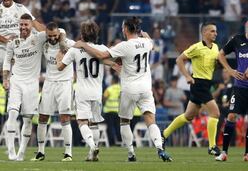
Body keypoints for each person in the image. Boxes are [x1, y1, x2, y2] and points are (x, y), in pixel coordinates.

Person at [73, 17, 172, 162]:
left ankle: (131, 153)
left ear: (125, 29)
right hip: (145, 88)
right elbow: (150, 43)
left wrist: (82, 44)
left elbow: (101, 55)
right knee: (151, 119)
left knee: (125, 121)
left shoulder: (124, 46)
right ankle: (160, 148)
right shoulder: (146, 42)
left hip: (129, 88)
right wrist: (146, 35)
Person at [57, 21, 118, 161]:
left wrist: (60, 55)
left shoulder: (75, 49)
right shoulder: (102, 49)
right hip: (97, 91)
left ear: (82, 34)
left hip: (82, 91)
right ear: (96, 34)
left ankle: (92, 146)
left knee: (82, 122)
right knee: (94, 122)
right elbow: (111, 61)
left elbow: (61, 67)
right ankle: (92, 153)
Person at [162, 22, 221, 157]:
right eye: (212, 31)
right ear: (204, 33)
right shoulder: (196, 47)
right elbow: (179, 60)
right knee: (215, 113)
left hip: (206, 84)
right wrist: (187, 76)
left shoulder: (216, 47)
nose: (215, 33)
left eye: (215, 31)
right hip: (198, 84)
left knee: (188, 116)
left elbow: (214, 64)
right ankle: (212, 146)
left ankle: (163, 135)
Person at [2, 13, 47, 161]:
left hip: (32, 84)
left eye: (26, 24)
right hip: (16, 81)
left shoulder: (39, 38)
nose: (23, 27)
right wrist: (5, 79)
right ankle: (10, 151)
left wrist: (36, 23)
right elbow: (7, 61)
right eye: (21, 24)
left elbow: (57, 31)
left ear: (31, 25)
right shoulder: (12, 41)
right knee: (13, 114)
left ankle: (21, 152)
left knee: (28, 119)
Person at [31, 22, 75, 162]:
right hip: (49, 83)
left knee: (64, 118)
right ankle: (40, 152)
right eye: (50, 36)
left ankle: (68, 153)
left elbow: (79, 45)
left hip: (65, 83)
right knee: (42, 118)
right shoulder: (44, 42)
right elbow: (38, 31)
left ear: (59, 34)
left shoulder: (67, 43)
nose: (53, 38)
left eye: (55, 35)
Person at [215, 20, 248, 161]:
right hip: (240, 86)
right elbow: (220, 55)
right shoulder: (237, 39)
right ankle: (224, 153)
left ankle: (247, 154)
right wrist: (230, 70)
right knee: (231, 116)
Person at [102, 75, 121, 146]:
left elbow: (104, 99)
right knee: (117, 127)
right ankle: (119, 142)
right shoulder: (121, 89)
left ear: (113, 80)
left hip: (109, 111)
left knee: (110, 127)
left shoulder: (109, 89)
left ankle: (111, 142)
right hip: (118, 111)